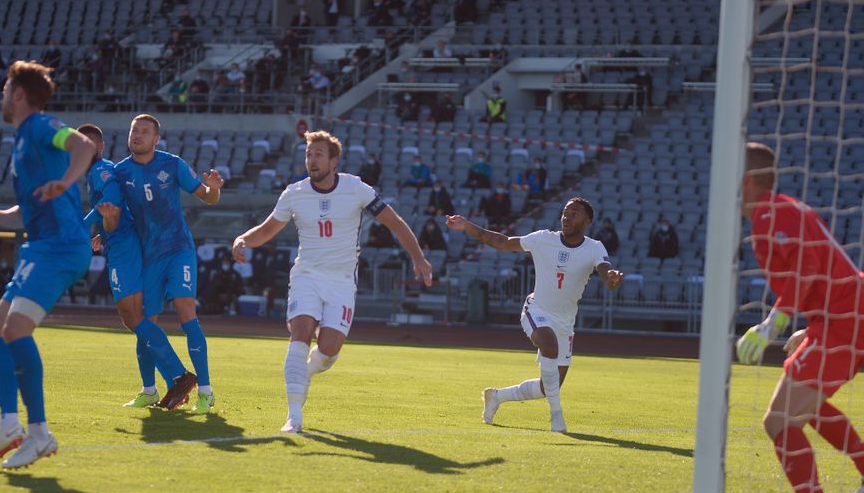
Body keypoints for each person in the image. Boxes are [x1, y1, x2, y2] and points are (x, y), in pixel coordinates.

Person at [232, 130, 433, 433]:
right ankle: (293, 416)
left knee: (328, 350)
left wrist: (418, 257)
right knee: (300, 334)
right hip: (306, 275)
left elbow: (394, 222)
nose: (312, 160)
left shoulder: (356, 188)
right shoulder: (294, 193)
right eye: (308, 155)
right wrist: (242, 240)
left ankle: (305, 373)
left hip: (341, 281)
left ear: (334, 161)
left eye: (318, 155)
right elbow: (267, 229)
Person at [0, 60, 97, 469]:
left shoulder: (40, 126)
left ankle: (39, 434)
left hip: (61, 246)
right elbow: (29, 208)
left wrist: (67, 181)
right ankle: (9, 425)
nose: (3, 96)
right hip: (41, 247)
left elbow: (84, 146)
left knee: (15, 330)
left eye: (6, 89)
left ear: (19, 94)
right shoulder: (23, 139)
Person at [735, 142, 864, 493]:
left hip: (845, 321)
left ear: (745, 180)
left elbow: (807, 268)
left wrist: (773, 323)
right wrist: (810, 326)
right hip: (843, 317)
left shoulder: (771, 213)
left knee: (778, 420)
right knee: (805, 406)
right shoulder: (779, 211)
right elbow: (820, 268)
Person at [446, 197, 623, 432]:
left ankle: (497, 396)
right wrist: (467, 225)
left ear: (588, 220)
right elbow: (502, 242)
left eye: (574, 214)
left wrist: (612, 279)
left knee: (548, 387)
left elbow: (606, 273)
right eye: (565, 213)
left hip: (565, 322)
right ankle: (556, 416)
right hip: (536, 309)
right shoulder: (543, 239)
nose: (567, 218)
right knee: (549, 346)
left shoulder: (594, 247)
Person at [108, 114, 225, 415]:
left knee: (187, 316)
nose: (138, 135)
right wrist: (102, 234)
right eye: (134, 130)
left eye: (145, 132)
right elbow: (116, 213)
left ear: (156, 139)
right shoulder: (120, 172)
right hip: (148, 257)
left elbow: (207, 197)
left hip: (178, 250)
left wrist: (214, 188)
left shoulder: (172, 164)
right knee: (145, 322)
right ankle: (149, 391)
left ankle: (206, 392)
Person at [79, 123, 197, 410]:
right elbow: (118, 205)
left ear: (100, 147)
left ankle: (178, 376)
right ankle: (163, 386)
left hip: (124, 247)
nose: (84, 148)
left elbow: (112, 200)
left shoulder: (99, 170)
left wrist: (81, 226)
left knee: (132, 317)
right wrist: (101, 230)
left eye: (90, 143)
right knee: (138, 318)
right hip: (122, 242)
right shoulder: (103, 169)